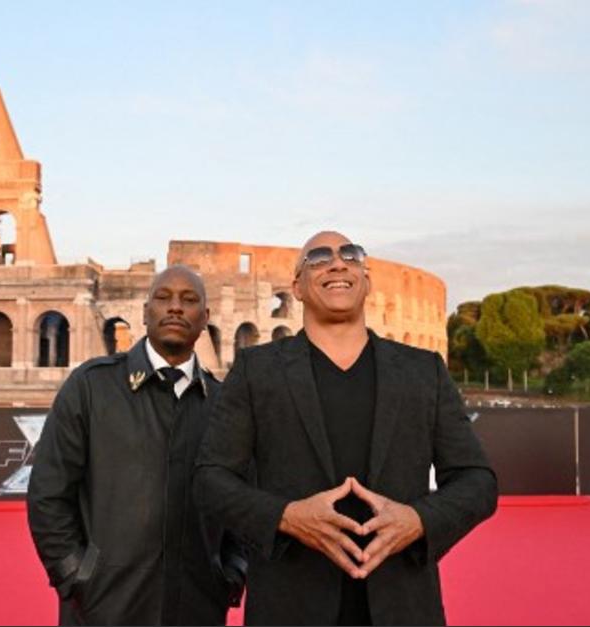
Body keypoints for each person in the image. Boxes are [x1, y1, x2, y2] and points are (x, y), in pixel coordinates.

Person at [194, 231, 497, 625]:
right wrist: (286, 517)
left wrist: (419, 520)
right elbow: (210, 479)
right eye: (319, 258)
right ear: (296, 288)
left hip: (403, 605)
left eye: (351, 255)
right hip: (290, 605)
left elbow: (478, 481)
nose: (338, 263)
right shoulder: (257, 370)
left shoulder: (423, 371)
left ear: (366, 282)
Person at [27, 265, 246, 626]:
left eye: (189, 299)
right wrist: (76, 576)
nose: (175, 307)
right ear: (145, 313)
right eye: (163, 297)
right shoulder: (91, 387)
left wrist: (232, 573)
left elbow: (242, 501)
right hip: (102, 608)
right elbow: (48, 493)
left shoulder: (223, 404)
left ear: (205, 318)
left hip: (197, 607)